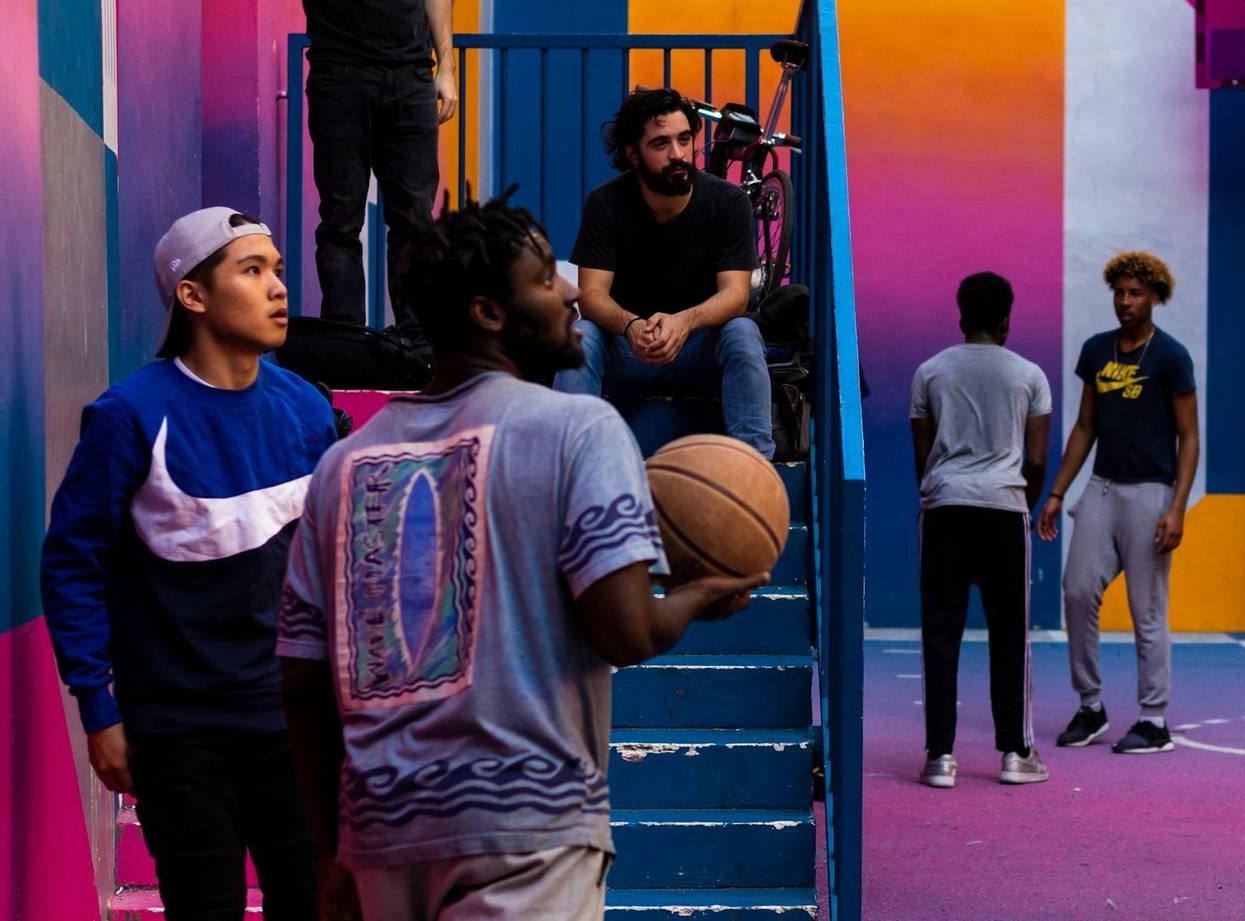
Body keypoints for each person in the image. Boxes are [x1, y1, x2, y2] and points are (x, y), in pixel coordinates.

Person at [277, 191, 764, 921]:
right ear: (487, 313)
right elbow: (624, 630)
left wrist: (330, 849)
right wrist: (700, 595)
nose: (569, 291)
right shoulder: (580, 430)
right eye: (542, 279)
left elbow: (303, 679)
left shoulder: (343, 464)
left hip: (384, 830)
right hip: (528, 829)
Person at [40, 208, 334, 919]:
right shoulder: (131, 414)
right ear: (193, 295)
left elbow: (339, 562)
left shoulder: (308, 409)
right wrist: (98, 708)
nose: (278, 289)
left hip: (296, 724)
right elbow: (72, 563)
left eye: (278, 271)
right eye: (252, 270)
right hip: (178, 729)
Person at [554, 88, 773, 458]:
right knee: (581, 336)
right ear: (632, 154)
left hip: (700, 350)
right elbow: (590, 296)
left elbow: (736, 295)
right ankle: (570, 464)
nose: (678, 154)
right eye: (660, 143)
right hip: (629, 349)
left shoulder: (728, 202)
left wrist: (684, 322)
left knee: (743, 331)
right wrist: (631, 326)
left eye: (684, 139)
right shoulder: (605, 203)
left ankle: (755, 467)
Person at [1039, 250, 1199, 755]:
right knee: (1077, 590)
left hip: (1151, 493)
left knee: (1146, 608)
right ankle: (1091, 706)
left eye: (1135, 293)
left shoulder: (1170, 356)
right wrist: (1058, 491)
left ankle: (1154, 719)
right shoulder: (1097, 350)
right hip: (1101, 488)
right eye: (1120, 292)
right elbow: (1085, 426)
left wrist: (1177, 507)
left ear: (1154, 298)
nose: (1125, 301)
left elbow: (1190, 437)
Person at [910, 272, 1053, 789]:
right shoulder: (1029, 376)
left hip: (945, 507)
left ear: (961, 316)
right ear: (1006, 320)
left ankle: (940, 758)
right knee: (1010, 635)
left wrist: (943, 492)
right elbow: (1036, 460)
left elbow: (923, 456)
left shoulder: (930, 372)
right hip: (1004, 510)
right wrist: (1018, 505)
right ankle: (1015, 753)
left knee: (940, 634)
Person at [303, 0, 457, 325]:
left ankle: (416, 342)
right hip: (339, 72)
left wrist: (447, 67)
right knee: (341, 221)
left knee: (415, 222)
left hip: (411, 73)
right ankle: (346, 340)